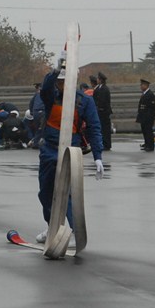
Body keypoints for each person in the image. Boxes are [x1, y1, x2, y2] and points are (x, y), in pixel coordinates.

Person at [35, 66, 103, 244]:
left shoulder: (85, 101)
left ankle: (74, 231)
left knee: (69, 192)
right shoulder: (51, 97)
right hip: (49, 149)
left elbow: (94, 128)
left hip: (71, 150)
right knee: (45, 192)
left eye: (64, 81)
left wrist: (98, 157)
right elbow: (45, 88)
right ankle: (53, 226)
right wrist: (55, 71)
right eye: (59, 82)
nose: (61, 85)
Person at [136, 78, 155, 152]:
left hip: (148, 117)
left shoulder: (150, 95)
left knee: (148, 132)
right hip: (143, 117)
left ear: (146, 85)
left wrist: (151, 117)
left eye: (142, 85)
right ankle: (147, 144)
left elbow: (153, 108)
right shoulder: (144, 94)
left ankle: (150, 146)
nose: (141, 86)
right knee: (145, 131)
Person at [93, 72, 113, 151]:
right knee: (101, 129)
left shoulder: (105, 89)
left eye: (98, 79)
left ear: (100, 80)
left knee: (105, 129)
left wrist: (99, 107)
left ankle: (107, 144)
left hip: (104, 111)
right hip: (99, 111)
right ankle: (102, 143)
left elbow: (104, 101)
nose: (97, 80)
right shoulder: (98, 88)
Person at [25, 82, 45, 148]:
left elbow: (31, 103)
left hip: (36, 112)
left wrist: (31, 111)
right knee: (43, 127)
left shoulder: (36, 94)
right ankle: (43, 143)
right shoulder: (47, 93)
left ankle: (35, 143)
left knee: (38, 128)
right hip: (43, 111)